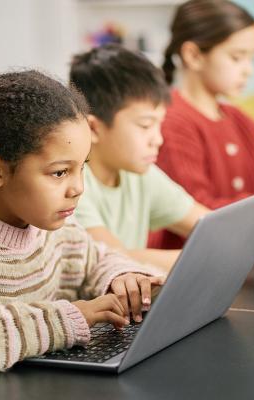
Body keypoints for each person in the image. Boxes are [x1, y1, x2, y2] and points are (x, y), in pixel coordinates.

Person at [0, 70, 163, 379]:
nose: (78, 188)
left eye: (81, 167)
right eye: (59, 172)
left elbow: (96, 259)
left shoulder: (55, 230)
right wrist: (62, 321)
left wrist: (121, 276)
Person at [149, 0, 254, 249]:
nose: (248, 70)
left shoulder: (237, 119)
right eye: (237, 58)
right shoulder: (171, 121)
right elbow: (198, 210)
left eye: (252, 59)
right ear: (193, 55)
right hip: (191, 268)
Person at [70, 43, 211, 273]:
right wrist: (201, 256)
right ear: (93, 129)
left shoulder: (140, 173)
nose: (158, 139)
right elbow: (113, 259)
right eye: (145, 125)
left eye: (159, 124)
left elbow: (210, 227)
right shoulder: (72, 188)